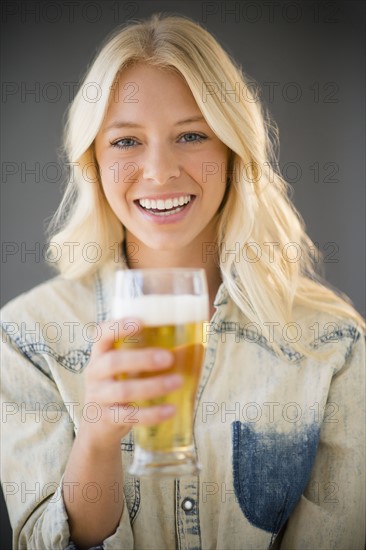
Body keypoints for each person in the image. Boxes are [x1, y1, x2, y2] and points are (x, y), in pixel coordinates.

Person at [1, 13, 365, 550]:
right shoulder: (26, 337)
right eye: (126, 141)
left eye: (191, 135)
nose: (160, 170)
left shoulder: (333, 342)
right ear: (94, 162)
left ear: (232, 152)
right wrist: (99, 436)